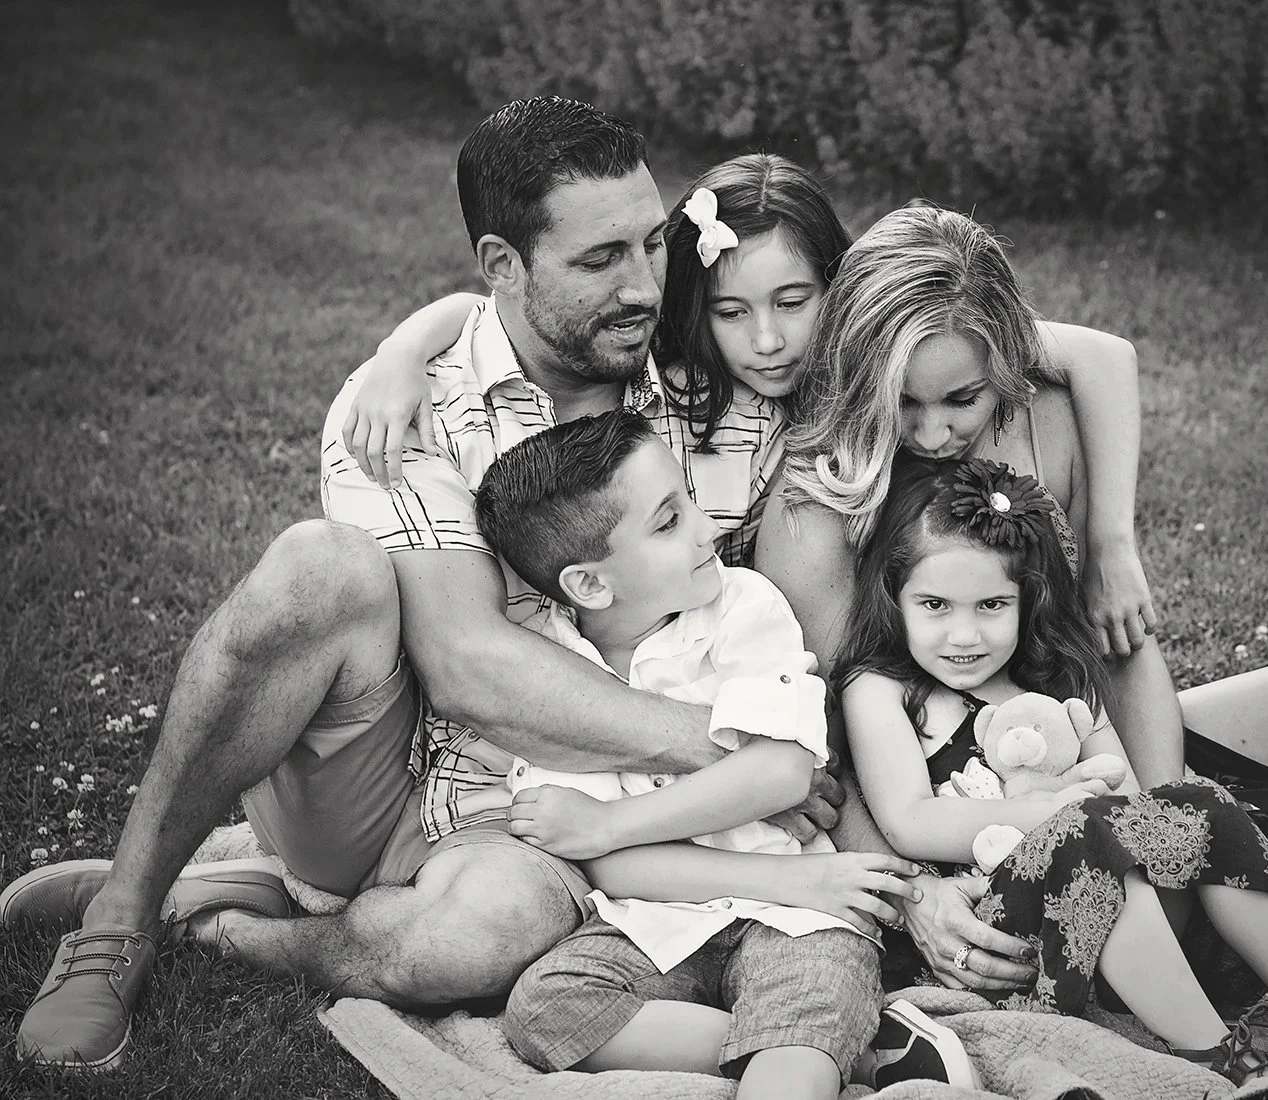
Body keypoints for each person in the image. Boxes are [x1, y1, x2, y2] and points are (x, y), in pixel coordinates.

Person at [1, 97, 932, 1073]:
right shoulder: (410, 404)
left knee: (476, 941)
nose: (644, 285)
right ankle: (122, 917)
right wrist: (742, 746)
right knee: (321, 566)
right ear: (501, 264)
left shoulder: (682, 357)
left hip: (550, 805)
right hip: (383, 764)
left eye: (652, 245)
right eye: (600, 259)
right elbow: (466, 663)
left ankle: (233, 923)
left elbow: (890, 315)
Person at [756, 202, 1268, 989]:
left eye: (962, 401)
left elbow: (1111, 643)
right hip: (957, 826)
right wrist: (915, 896)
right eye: (903, 404)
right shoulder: (817, 507)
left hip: (1084, 756)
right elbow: (823, 745)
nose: (936, 433)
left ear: (1005, 366)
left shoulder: (1042, 426)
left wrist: (1161, 811)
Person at [343, 152, 1155, 655]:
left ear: (838, 288)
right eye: (732, 313)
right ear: (700, 311)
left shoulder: (888, 340)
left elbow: (1098, 355)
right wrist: (405, 349)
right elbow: (494, 312)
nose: (768, 341)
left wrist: (1113, 543)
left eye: (794, 301)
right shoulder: (682, 365)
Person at [838, 454, 1268, 1099]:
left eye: (992, 604)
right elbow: (910, 821)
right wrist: (1050, 812)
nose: (962, 633)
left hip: (1138, 918)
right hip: (1006, 931)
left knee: (1193, 801)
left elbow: (1131, 802)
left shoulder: (1059, 679)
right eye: (934, 605)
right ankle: (1225, 1061)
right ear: (895, 598)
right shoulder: (883, 690)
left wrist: (1094, 809)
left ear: (1029, 600)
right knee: (1086, 830)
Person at [466, 408, 966, 1095]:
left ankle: (802, 1045)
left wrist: (607, 823)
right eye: (669, 522)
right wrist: (612, 844)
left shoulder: (742, 607)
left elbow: (782, 770)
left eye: (690, 503)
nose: (709, 530)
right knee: (544, 1008)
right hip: (663, 922)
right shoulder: (555, 672)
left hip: (805, 916)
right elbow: (619, 873)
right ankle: (857, 1049)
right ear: (588, 584)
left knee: (800, 1022)